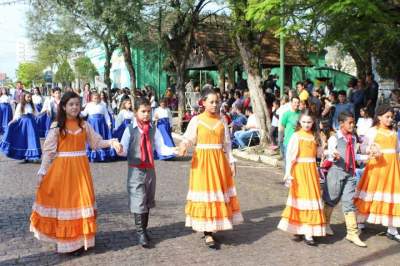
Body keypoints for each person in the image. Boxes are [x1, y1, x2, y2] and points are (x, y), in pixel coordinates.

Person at [30, 91, 122, 254]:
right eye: (71, 104)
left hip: (81, 170)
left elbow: (96, 143)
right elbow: (49, 152)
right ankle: (66, 243)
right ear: (64, 107)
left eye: (77, 104)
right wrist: (42, 171)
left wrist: (112, 142)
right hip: (62, 171)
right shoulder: (57, 126)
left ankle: (80, 241)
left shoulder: (84, 125)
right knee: (66, 203)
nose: (74, 107)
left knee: (81, 202)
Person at [178, 88, 243, 248]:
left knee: (217, 193)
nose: (215, 104)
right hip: (202, 162)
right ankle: (207, 233)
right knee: (205, 194)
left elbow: (227, 144)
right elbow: (189, 138)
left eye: (217, 101)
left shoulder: (222, 120)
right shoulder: (197, 120)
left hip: (218, 161)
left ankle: (214, 226)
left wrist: (231, 161)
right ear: (203, 103)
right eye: (211, 102)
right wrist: (184, 144)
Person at [118, 97, 176, 248]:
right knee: (139, 200)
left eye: (149, 112)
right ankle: (140, 233)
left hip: (150, 170)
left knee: (147, 201)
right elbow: (123, 150)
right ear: (135, 112)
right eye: (143, 111)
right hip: (135, 170)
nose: (146, 115)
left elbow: (161, 148)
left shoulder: (153, 130)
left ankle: (144, 228)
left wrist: (175, 150)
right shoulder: (129, 130)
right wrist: (118, 149)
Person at [278, 110, 326, 246]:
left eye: (309, 122)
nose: (306, 124)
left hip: (311, 170)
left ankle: (306, 229)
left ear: (313, 122)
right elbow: (290, 156)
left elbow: (318, 154)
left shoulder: (314, 136)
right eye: (304, 122)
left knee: (311, 199)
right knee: (303, 198)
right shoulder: (296, 136)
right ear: (299, 122)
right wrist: (288, 173)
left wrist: (325, 149)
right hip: (300, 171)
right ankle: (306, 231)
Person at [354, 105, 400, 242]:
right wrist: (371, 150)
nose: (390, 119)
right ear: (379, 117)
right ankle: (360, 221)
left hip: (391, 168)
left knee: (392, 196)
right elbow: (363, 147)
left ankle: (392, 229)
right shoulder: (373, 131)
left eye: (391, 117)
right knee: (370, 193)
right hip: (376, 167)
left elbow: (397, 150)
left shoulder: (394, 132)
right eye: (387, 116)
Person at [322, 111, 367, 247]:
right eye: (350, 123)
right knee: (331, 200)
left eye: (353, 123)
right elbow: (328, 154)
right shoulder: (334, 138)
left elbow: (354, 156)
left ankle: (352, 233)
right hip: (336, 172)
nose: (352, 125)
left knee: (349, 202)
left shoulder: (352, 139)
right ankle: (324, 224)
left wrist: (367, 157)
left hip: (350, 174)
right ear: (341, 123)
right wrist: (332, 155)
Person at [0, 93, 41, 161]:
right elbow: (17, 115)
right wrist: (12, 121)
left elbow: (37, 114)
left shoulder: (32, 105)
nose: (29, 98)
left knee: (32, 139)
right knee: (23, 139)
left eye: (30, 97)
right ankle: (24, 156)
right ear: (24, 97)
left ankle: (34, 157)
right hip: (23, 124)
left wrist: (45, 112)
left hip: (31, 124)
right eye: (28, 97)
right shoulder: (20, 105)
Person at [81, 92, 116, 162]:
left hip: (101, 124)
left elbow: (106, 115)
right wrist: (78, 113)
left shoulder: (102, 105)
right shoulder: (89, 105)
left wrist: (109, 123)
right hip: (92, 124)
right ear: (92, 98)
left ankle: (102, 154)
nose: (96, 99)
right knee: (91, 138)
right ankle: (92, 154)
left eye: (97, 98)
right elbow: (84, 113)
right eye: (94, 98)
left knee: (101, 137)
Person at [279, 96, 301, 167]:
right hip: (288, 141)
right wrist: (281, 139)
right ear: (291, 103)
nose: (297, 104)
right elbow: (282, 127)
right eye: (295, 102)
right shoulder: (286, 114)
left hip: (298, 141)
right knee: (287, 162)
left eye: (298, 102)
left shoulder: (301, 114)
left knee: (297, 163)